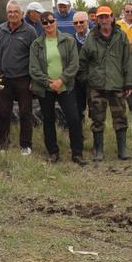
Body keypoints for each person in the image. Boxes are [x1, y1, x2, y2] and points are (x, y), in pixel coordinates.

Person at [29, 11, 86, 165]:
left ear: (56, 22)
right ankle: (53, 153)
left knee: (73, 118)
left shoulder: (68, 40)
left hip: (65, 87)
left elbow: (74, 64)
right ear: (41, 25)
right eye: (45, 23)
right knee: (48, 120)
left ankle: (77, 153)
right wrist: (50, 83)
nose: (49, 25)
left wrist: (61, 81)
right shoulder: (37, 44)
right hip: (45, 88)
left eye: (51, 21)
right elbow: (34, 69)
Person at [78, 6, 132, 161]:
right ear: (96, 19)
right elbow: (82, 61)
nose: (103, 20)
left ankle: (122, 150)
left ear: (112, 17)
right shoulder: (92, 37)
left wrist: (129, 84)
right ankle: (99, 150)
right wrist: (86, 79)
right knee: (97, 118)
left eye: (106, 17)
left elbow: (127, 61)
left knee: (120, 117)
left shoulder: (121, 36)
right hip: (97, 86)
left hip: (117, 84)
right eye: (100, 17)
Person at [0, 0, 38, 155]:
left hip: (24, 79)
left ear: (22, 14)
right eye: (10, 12)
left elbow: (35, 56)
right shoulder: (1, 29)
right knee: (4, 113)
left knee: (25, 113)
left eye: (16, 12)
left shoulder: (30, 31)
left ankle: (25, 145)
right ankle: (3, 144)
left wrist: (33, 79)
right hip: (5, 78)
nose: (12, 14)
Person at [71, 11, 90, 121]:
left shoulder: (95, 37)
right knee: (78, 108)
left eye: (81, 22)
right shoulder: (71, 40)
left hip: (93, 78)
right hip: (77, 80)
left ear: (87, 22)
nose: (78, 25)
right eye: (76, 23)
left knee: (96, 110)